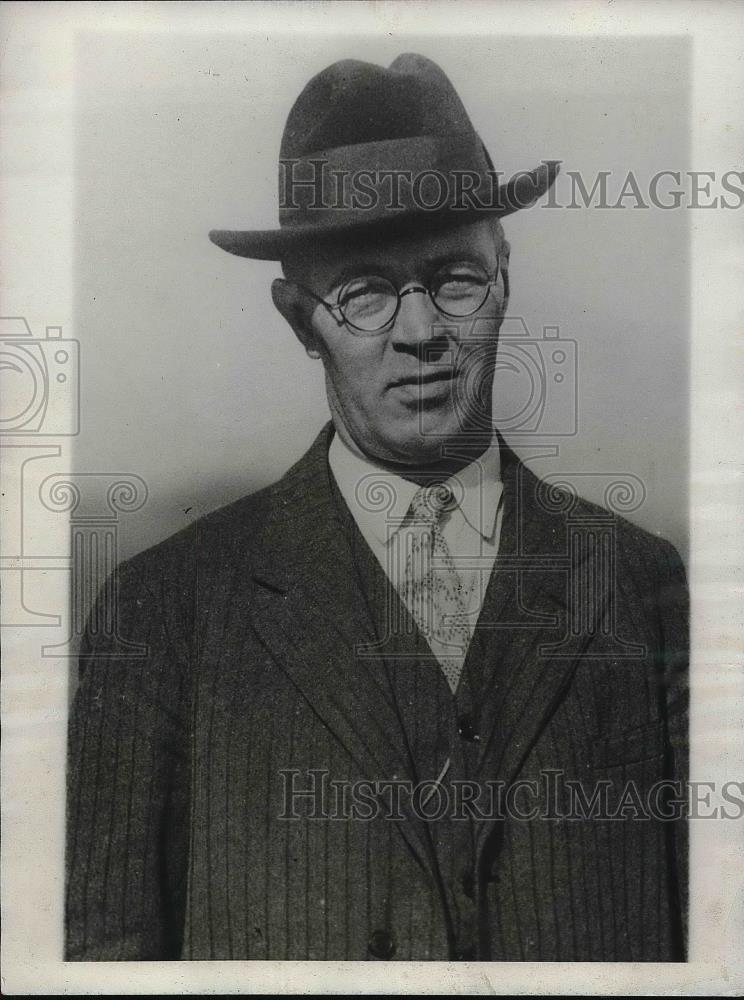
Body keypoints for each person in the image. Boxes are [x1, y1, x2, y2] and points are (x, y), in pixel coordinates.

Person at [65, 53, 688, 962]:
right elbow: (101, 961)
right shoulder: (158, 614)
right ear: (297, 319)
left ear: (505, 278)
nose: (423, 328)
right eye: (363, 291)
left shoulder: (641, 581)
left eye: (455, 278)